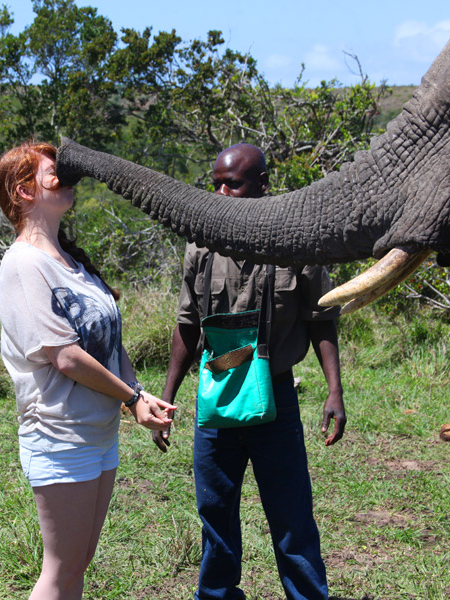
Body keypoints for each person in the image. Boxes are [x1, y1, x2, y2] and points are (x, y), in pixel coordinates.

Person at [153, 143, 346, 600]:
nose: (222, 192)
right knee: (215, 513)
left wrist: (334, 390)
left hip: (275, 399)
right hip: (215, 396)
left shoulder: (296, 240)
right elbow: (188, 324)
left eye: (233, 183)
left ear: (262, 184)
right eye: (216, 183)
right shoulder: (200, 243)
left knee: (291, 516)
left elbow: (322, 319)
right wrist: (167, 394)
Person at [0, 140, 175, 599]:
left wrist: (138, 393)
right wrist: (131, 399)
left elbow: (108, 343)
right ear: (23, 191)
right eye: (52, 172)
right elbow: (66, 356)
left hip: (98, 434)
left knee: (77, 566)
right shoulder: (22, 264)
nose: (65, 178)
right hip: (59, 436)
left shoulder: (73, 264)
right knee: (59, 570)